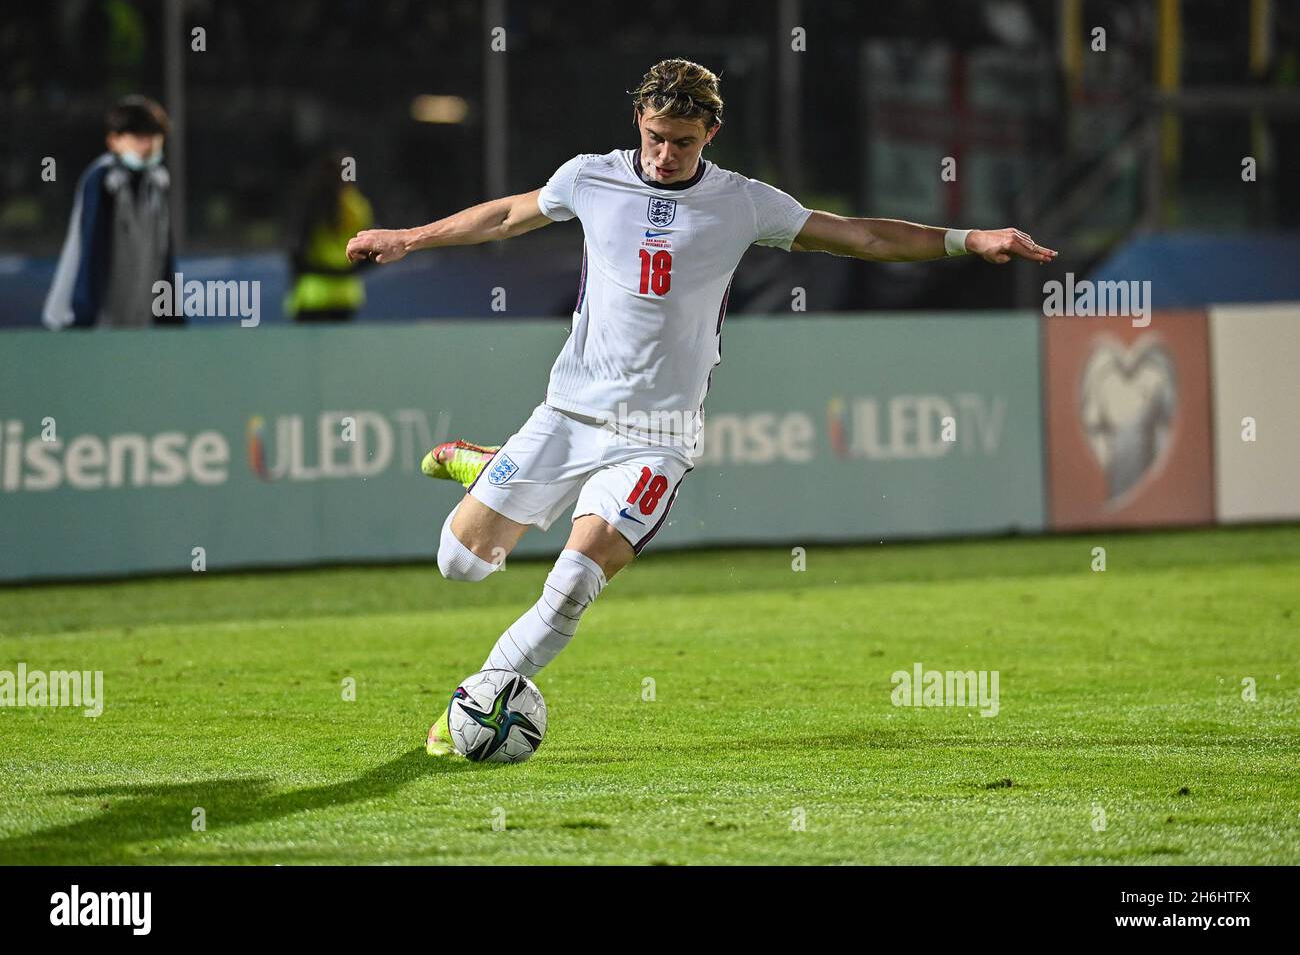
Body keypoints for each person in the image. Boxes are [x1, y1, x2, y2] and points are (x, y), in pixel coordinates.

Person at [345, 58, 1057, 756]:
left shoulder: (743, 202)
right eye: (655, 136)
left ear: (710, 132)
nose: (664, 153)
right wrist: (409, 237)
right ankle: (488, 465)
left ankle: (479, 703)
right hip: (565, 415)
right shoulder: (589, 176)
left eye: (682, 141)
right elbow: (504, 215)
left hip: (657, 437)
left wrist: (969, 239)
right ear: (639, 122)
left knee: (571, 585)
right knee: (462, 564)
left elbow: (861, 235)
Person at [43, 95, 182, 330]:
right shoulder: (102, 180)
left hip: (132, 321)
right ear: (114, 141)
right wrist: (83, 316)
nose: (146, 145)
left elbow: (163, 255)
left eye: (153, 136)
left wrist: (170, 316)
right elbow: (92, 250)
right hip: (87, 321)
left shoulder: (157, 183)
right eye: (138, 137)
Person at [285, 150, 374, 322]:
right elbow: (373, 250)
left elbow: (296, 251)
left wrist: (299, 278)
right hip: (345, 294)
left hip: (312, 294)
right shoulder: (359, 207)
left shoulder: (310, 203)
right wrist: (347, 272)